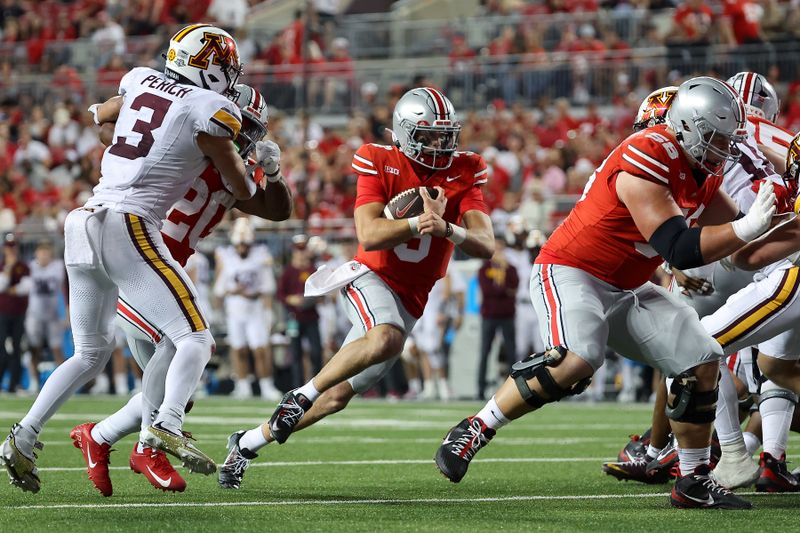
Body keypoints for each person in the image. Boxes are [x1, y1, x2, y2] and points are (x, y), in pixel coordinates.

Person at [434, 76, 778, 510]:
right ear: (687, 128)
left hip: (628, 284)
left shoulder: (701, 170)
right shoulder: (648, 151)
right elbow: (681, 247)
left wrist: (784, 218)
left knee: (702, 359)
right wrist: (750, 225)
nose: (724, 150)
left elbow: (743, 241)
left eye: (728, 140)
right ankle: (475, 428)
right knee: (575, 360)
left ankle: (692, 479)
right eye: (715, 139)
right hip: (572, 271)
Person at [1, 24, 252, 494]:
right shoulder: (209, 108)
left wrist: (134, 143)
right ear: (211, 69)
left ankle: (23, 435)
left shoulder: (140, 79)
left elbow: (100, 115)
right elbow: (241, 187)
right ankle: (167, 426)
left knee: (90, 353)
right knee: (194, 336)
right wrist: (261, 171)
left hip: (83, 220)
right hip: (129, 224)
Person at [218, 87, 495, 490]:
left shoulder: (465, 169)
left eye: (444, 135)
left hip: (413, 298)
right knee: (384, 338)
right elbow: (369, 232)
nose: (439, 145)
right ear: (402, 134)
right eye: (428, 136)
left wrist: (448, 228)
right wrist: (418, 223)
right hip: (371, 276)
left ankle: (245, 444)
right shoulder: (379, 159)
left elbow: (486, 244)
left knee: (334, 398)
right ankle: (300, 394)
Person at [66, 84, 291, 496]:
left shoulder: (231, 169)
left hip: (165, 274)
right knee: (178, 344)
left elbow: (277, 211)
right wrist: (103, 111)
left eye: (250, 132)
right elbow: (114, 134)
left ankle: (98, 436)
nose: (243, 139)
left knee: (178, 388)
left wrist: (273, 173)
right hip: (133, 262)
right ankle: (148, 445)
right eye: (240, 128)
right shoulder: (180, 147)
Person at [214, 217, 279, 400]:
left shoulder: (261, 255)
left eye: (245, 244)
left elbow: (268, 287)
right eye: (239, 244)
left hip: (255, 308)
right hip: (235, 309)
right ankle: (242, 385)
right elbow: (220, 288)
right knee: (239, 349)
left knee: (260, 349)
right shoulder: (226, 258)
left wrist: (268, 310)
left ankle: (266, 385)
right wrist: (222, 304)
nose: (242, 247)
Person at [277, 234, 324, 389]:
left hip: (311, 316)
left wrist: (310, 299)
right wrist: (292, 299)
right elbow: (280, 294)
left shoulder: (312, 269)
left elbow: (321, 292)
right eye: (298, 250)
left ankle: (317, 385)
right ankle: (297, 387)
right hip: (294, 317)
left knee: (316, 352)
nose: (301, 253)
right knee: (295, 354)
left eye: (303, 250)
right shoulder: (288, 271)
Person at [476, 236, 518, 400]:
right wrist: (504, 290)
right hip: (490, 315)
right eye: (497, 248)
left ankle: (513, 390)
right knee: (485, 352)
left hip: (507, 315)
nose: (499, 252)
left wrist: (502, 287)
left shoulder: (511, 268)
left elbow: (515, 286)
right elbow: (488, 290)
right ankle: (480, 389)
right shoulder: (484, 268)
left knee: (512, 353)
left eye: (501, 248)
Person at [24, 241, 67, 394]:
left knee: (57, 350)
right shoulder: (30, 267)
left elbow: (66, 287)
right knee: (33, 350)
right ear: (35, 255)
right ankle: (34, 382)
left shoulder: (59, 267)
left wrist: (66, 313)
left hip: (53, 315)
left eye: (46, 253)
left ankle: (63, 385)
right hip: (34, 315)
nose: (43, 256)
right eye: (40, 253)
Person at [0, 234, 31, 394]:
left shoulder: (23, 267)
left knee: (17, 348)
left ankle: (14, 384)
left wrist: (10, 289)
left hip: (18, 313)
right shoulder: (3, 265)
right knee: (2, 349)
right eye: (8, 247)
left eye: (13, 246)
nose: (11, 250)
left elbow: (26, 288)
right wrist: (8, 269)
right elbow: (1, 285)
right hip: (3, 314)